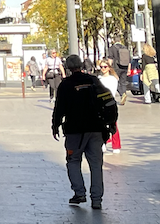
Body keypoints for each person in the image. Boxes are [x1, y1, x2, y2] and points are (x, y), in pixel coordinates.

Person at [52, 54, 118, 210]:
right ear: (81, 65)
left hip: (74, 130)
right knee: (96, 164)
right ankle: (97, 199)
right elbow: (108, 101)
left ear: (67, 67)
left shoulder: (65, 85)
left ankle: (79, 193)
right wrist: (110, 123)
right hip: (96, 128)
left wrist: (55, 125)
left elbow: (59, 108)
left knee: (73, 161)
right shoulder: (93, 80)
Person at [97, 60, 122, 153]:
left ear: (109, 68)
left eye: (105, 67)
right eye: (101, 67)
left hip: (110, 104)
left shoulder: (113, 79)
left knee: (113, 125)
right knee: (101, 126)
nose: (103, 69)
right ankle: (103, 143)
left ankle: (116, 146)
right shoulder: (99, 79)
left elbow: (112, 91)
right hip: (100, 105)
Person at [107, 40, 131, 105]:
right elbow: (129, 60)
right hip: (125, 67)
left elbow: (110, 58)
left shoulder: (112, 48)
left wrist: (109, 68)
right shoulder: (125, 48)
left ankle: (122, 94)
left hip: (116, 67)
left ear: (114, 41)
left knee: (114, 82)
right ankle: (123, 95)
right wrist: (129, 69)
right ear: (120, 41)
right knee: (123, 82)